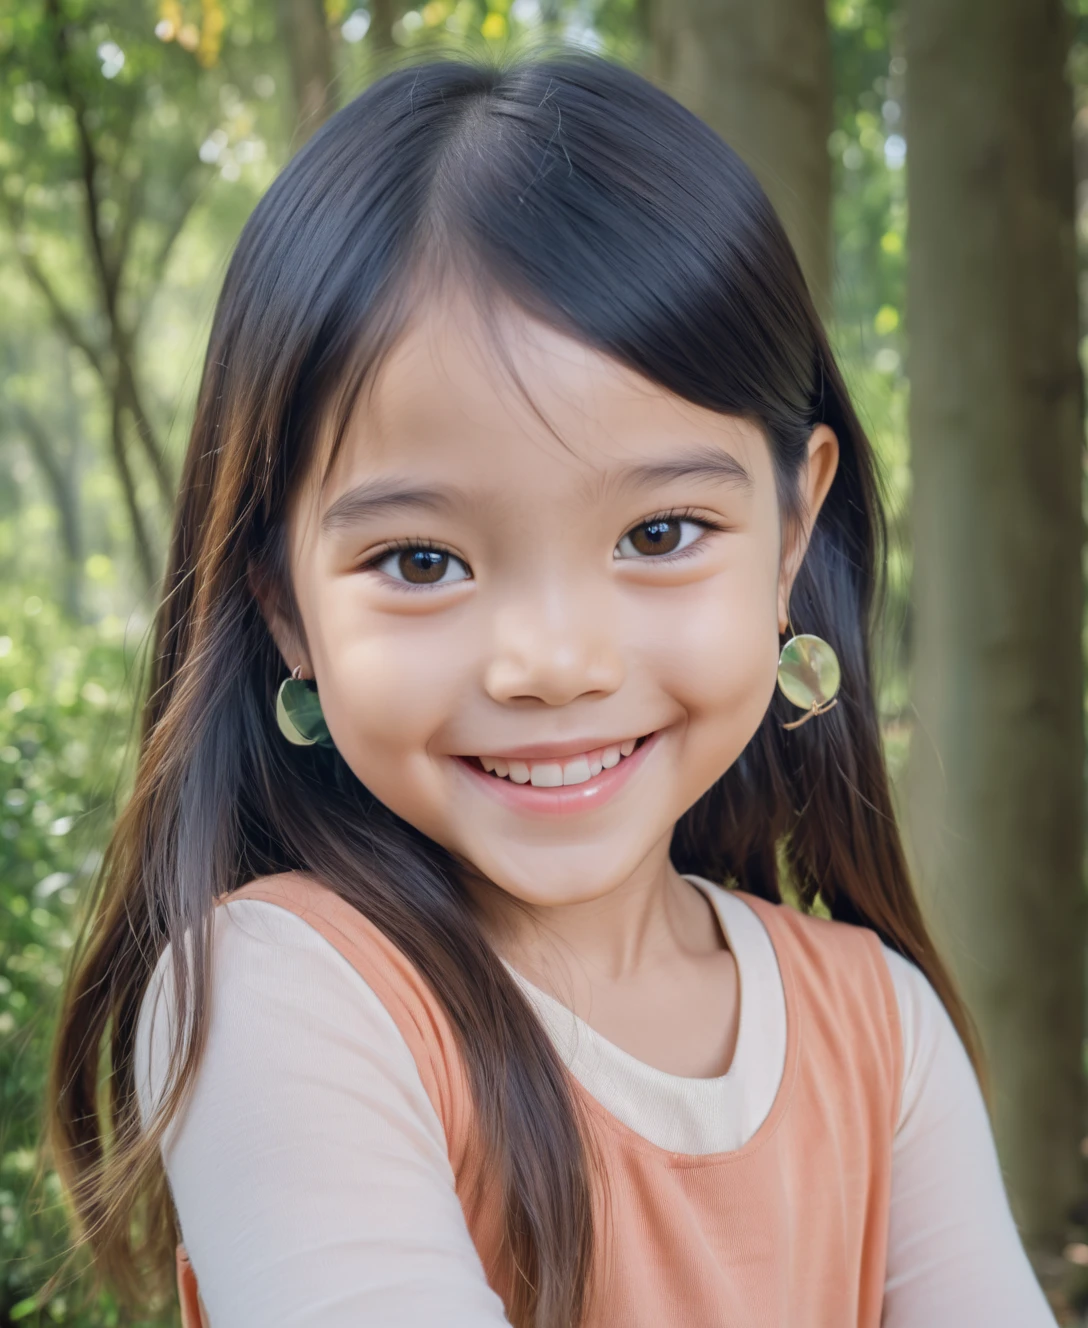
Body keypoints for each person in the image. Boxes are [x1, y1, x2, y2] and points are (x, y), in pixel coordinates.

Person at [45, 52, 1058, 1328]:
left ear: (790, 532)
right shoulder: (285, 995)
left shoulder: (880, 1032)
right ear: (283, 606)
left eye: (659, 533)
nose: (553, 662)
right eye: (422, 560)